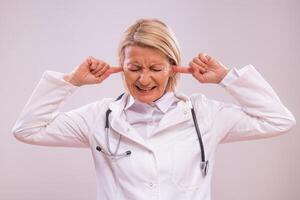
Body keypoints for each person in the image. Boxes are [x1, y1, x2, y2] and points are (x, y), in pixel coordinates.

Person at [12, 18, 296, 200]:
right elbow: (27, 130)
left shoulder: (204, 115)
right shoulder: (99, 118)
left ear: (173, 67)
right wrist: (71, 82)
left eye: (155, 68)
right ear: (120, 67)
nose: (143, 79)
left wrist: (226, 78)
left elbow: (278, 120)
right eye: (134, 68)